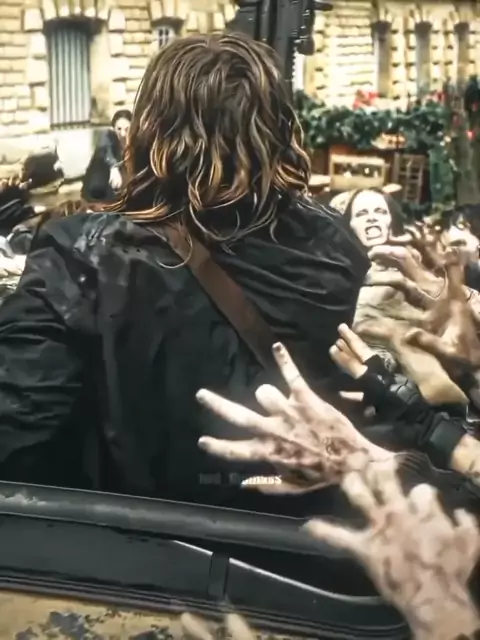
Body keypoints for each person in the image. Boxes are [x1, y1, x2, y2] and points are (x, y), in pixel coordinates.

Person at [0, 33, 367, 510]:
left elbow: (18, 439)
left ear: (149, 130)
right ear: (277, 130)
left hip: (145, 542)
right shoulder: (335, 240)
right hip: (307, 535)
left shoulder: (80, 254)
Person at [81, 109, 132, 202]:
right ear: (113, 129)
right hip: (102, 190)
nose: (123, 134)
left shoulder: (136, 141)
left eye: (127, 129)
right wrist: (113, 167)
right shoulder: (107, 139)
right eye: (119, 129)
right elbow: (104, 147)